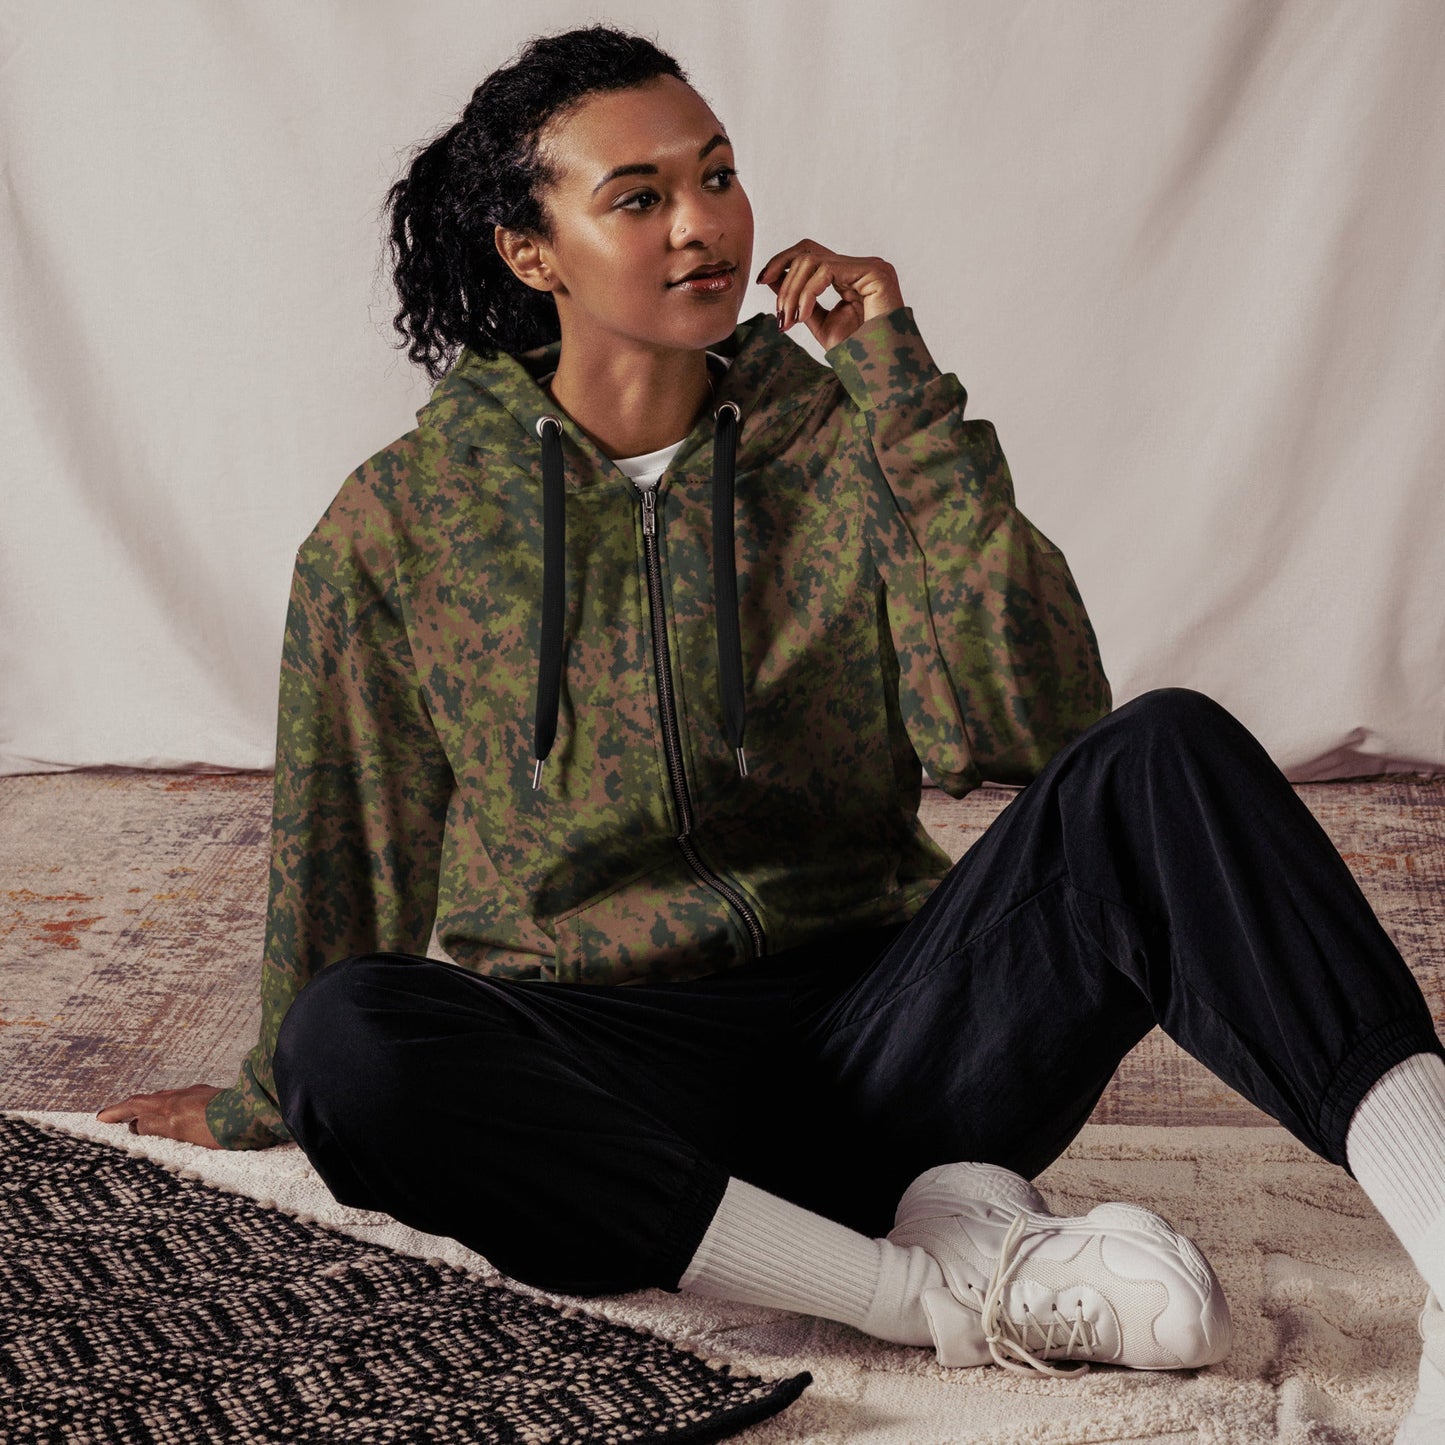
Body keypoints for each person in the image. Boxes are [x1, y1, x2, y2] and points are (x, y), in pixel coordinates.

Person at [97, 22, 1445, 1434]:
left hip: (901, 1037)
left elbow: (1025, 723)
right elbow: (348, 837)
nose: (702, 225)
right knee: (347, 1037)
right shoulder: (404, 524)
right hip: (618, 1093)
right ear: (531, 252)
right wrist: (271, 1091)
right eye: (638, 197)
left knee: (1165, 752)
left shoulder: (843, 435)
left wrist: (901, 393)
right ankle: (921, 1288)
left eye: (718, 175)